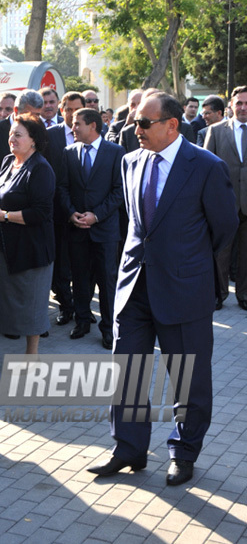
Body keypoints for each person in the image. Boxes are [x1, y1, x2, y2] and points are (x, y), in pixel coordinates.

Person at [88, 91, 238, 486]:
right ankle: (129, 450)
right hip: (135, 286)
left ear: (172, 125)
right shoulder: (130, 161)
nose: (133, 129)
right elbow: (137, 225)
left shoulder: (206, 166)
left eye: (143, 123)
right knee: (129, 373)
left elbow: (225, 227)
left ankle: (184, 453)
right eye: (133, 122)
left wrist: (189, 263)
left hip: (184, 288)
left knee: (189, 378)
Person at [0, 113, 55, 370]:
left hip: (29, 250)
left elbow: (41, 213)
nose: (11, 139)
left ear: (34, 140)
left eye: (18, 135)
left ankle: (31, 358)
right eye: (10, 133)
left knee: (31, 303)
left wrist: (2, 215)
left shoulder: (40, 168)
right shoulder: (8, 161)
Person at [59, 108, 124, 347]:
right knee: (80, 278)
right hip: (76, 229)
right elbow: (62, 187)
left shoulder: (116, 152)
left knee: (107, 281)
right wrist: (70, 213)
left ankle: (108, 328)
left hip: (104, 230)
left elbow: (119, 191)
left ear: (93, 126)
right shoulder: (68, 152)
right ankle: (82, 321)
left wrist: (96, 216)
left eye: (77, 124)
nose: (72, 127)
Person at [204, 85, 247, 311]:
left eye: (246, 103)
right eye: (239, 103)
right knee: (220, 253)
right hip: (224, 204)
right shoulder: (217, 131)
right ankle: (217, 294)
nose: (242, 107)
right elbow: (206, 168)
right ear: (231, 105)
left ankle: (244, 294)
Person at [45, 92, 85, 325]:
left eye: (76, 109)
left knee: (83, 266)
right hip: (58, 211)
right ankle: (66, 306)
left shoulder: (91, 135)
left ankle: (82, 309)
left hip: (86, 212)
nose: (71, 114)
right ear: (62, 111)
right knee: (60, 263)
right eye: (67, 109)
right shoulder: (51, 136)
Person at [0, 89, 44, 196]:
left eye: (37, 115)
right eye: (28, 114)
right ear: (16, 111)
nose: (33, 119)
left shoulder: (42, 131)